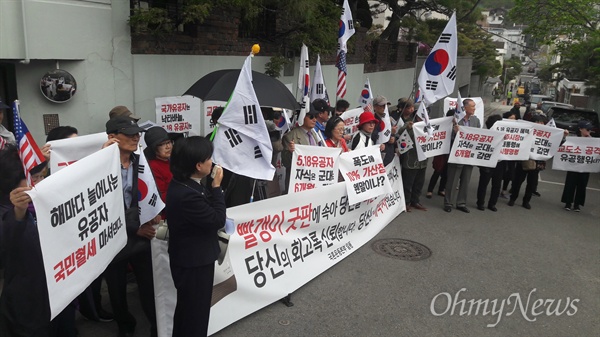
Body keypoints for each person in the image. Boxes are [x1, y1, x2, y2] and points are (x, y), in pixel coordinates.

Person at [103, 116, 158, 337]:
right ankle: (125, 325)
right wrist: (133, 228)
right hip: (113, 237)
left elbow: (148, 195)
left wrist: (152, 215)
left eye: (137, 133)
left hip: (141, 234)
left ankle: (157, 324)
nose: (136, 137)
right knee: (116, 290)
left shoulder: (140, 162)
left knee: (148, 284)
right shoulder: (99, 167)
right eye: (129, 133)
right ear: (112, 137)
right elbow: (102, 209)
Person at [166, 136, 226, 337]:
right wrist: (217, 187)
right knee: (195, 314)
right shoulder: (187, 194)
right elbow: (217, 219)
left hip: (191, 257)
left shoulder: (187, 183)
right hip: (194, 262)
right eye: (209, 158)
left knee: (187, 311)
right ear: (198, 165)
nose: (213, 161)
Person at [0, 145, 52, 336]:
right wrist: (18, 213)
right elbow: (5, 247)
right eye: (32, 178)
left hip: (55, 287)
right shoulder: (9, 210)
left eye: (40, 177)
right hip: (28, 296)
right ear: (11, 182)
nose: (38, 183)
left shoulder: (42, 199)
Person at [444, 98, 481, 213]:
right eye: (472, 106)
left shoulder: (476, 121)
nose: (474, 109)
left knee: (465, 181)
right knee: (452, 180)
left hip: (469, 156)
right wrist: (455, 133)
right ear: (465, 108)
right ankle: (448, 202)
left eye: (474, 106)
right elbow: (446, 137)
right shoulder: (454, 121)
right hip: (456, 155)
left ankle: (461, 203)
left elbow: (480, 136)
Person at [396, 98, 427, 211]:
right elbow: (399, 134)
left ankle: (416, 201)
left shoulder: (428, 124)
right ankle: (406, 202)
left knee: (419, 182)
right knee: (408, 183)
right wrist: (406, 127)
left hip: (422, 159)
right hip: (410, 158)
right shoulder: (409, 122)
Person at [282, 108, 323, 192]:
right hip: (298, 182)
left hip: (313, 180)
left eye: (315, 117)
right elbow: (285, 162)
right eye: (311, 117)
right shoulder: (290, 136)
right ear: (302, 117)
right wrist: (290, 152)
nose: (315, 119)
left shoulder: (314, 134)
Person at [561, 120, 593, 212]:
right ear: (580, 129)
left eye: (590, 129)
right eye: (587, 129)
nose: (589, 131)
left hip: (585, 166)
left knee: (582, 185)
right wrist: (564, 136)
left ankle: (577, 204)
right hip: (573, 165)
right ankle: (568, 202)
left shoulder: (593, 140)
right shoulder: (573, 138)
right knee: (570, 184)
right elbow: (563, 146)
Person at [475, 114, 505, 212]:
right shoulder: (487, 134)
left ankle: (492, 204)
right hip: (487, 162)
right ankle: (480, 202)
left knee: (497, 185)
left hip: (499, 163)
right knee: (483, 183)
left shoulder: (505, 134)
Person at [426, 109, 455, 199]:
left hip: (451, 152)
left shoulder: (457, 126)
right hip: (441, 152)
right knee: (437, 171)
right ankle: (430, 190)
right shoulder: (443, 125)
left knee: (446, 173)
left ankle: (441, 189)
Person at [144, 127, 173, 203]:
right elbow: (161, 196)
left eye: (169, 142)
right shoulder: (153, 167)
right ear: (154, 148)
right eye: (162, 144)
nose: (168, 147)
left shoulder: (172, 160)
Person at [372, 96, 397, 166]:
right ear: (375, 107)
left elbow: (394, 135)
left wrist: (393, 137)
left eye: (385, 106)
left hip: (390, 153)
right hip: (378, 154)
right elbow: (372, 137)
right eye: (381, 106)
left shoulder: (388, 119)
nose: (384, 108)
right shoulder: (372, 121)